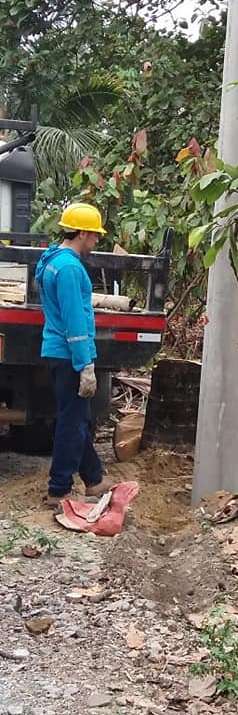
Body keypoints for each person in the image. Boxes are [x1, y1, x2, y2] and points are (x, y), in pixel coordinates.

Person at [36, 202, 112, 507]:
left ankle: (94, 479)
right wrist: (85, 364)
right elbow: (75, 321)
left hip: (57, 351)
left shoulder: (52, 260)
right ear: (81, 233)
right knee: (72, 423)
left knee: (77, 418)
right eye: (94, 234)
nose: (96, 239)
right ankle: (59, 488)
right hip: (69, 355)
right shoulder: (69, 268)